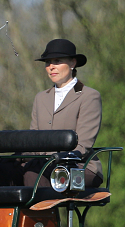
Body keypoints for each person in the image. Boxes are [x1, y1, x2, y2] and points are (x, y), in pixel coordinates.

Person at [23, 38, 103, 188]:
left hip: (79, 166)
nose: (51, 67)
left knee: (33, 174)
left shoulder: (88, 96)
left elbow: (84, 144)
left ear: (73, 63)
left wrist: (56, 159)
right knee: (6, 170)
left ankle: (44, 211)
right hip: (44, 165)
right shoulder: (41, 98)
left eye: (57, 61)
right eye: (48, 63)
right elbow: (34, 139)